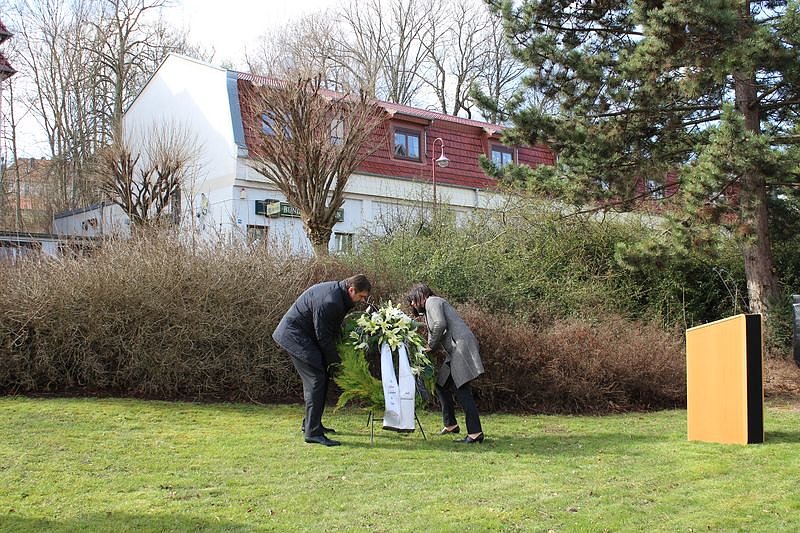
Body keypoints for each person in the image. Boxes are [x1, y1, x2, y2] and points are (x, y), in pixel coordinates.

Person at [273, 274, 371, 446]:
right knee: (316, 380)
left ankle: (312, 424)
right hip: (294, 336)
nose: (362, 300)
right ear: (351, 290)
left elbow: (330, 330)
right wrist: (335, 363)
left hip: (303, 336)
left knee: (320, 379)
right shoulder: (331, 301)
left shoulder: (339, 296)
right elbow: (323, 336)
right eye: (361, 296)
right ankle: (312, 432)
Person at [406, 283, 485, 444]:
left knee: (462, 389)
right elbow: (433, 330)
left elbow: (439, 324)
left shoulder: (432, 301)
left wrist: (431, 346)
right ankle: (451, 425)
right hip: (455, 350)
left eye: (413, 300)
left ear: (421, 294)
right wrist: (428, 348)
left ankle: (475, 433)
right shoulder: (429, 308)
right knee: (441, 384)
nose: (412, 304)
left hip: (460, 346)